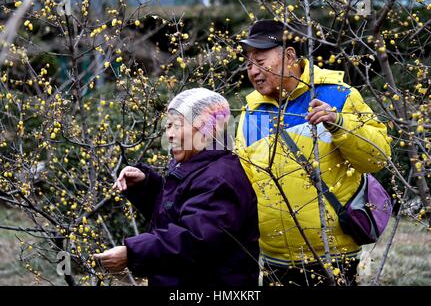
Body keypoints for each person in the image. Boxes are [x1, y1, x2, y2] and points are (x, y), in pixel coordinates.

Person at [235, 19, 391, 286]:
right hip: (273, 257)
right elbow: (243, 180)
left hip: (332, 256)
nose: (253, 71)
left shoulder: (339, 95)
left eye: (260, 61)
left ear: (290, 56)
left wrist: (340, 123)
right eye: (249, 64)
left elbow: (378, 158)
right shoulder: (251, 112)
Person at [94, 88, 259, 286]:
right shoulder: (197, 167)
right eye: (168, 126)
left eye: (177, 125)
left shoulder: (219, 178)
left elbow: (195, 239)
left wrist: (133, 252)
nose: (169, 135)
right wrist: (146, 185)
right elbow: (178, 212)